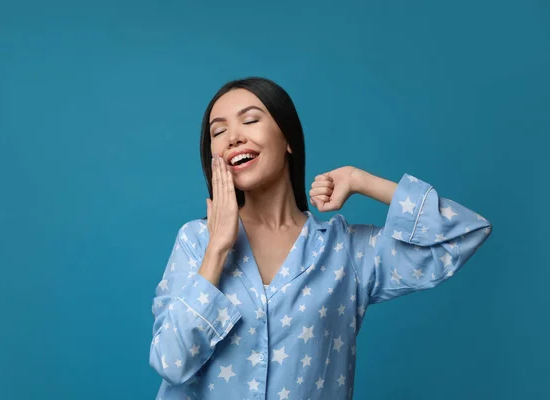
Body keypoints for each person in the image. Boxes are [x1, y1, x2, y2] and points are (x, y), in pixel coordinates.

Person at [148, 77, 492, 399]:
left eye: (250, 120)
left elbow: (464, 233)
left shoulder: (346, 252)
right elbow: (171, 363)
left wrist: (361, 180)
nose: (233, 137)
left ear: (288, 141)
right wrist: (217, 249)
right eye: (218, 131)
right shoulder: (196, 241)